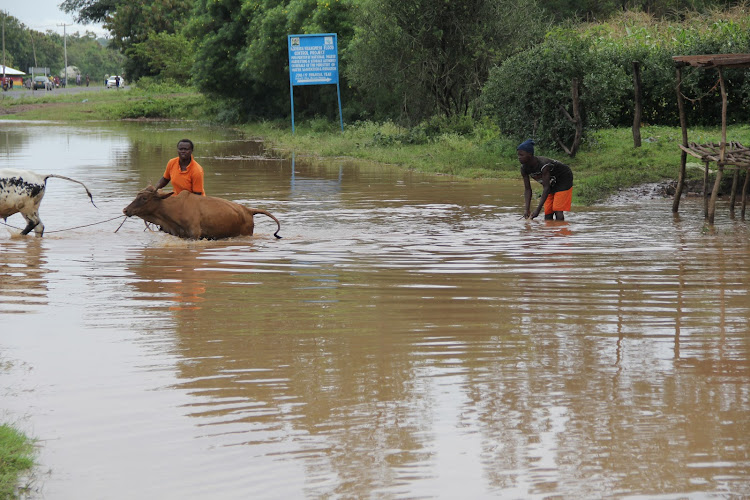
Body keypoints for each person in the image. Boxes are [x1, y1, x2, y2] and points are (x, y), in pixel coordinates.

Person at [518, 139, 573, 221]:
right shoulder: (524, 168)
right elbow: (528, 189)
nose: (519, 157)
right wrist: (527, 209)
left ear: (529, 155)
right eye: (518, 155)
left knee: (558, 210)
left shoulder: (544, 165)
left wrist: (537, 210)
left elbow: (546, 188)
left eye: (521, 155)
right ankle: (549, 232)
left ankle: (561, 232)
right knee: (548, 213)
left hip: (564, 179)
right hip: (551, 181)